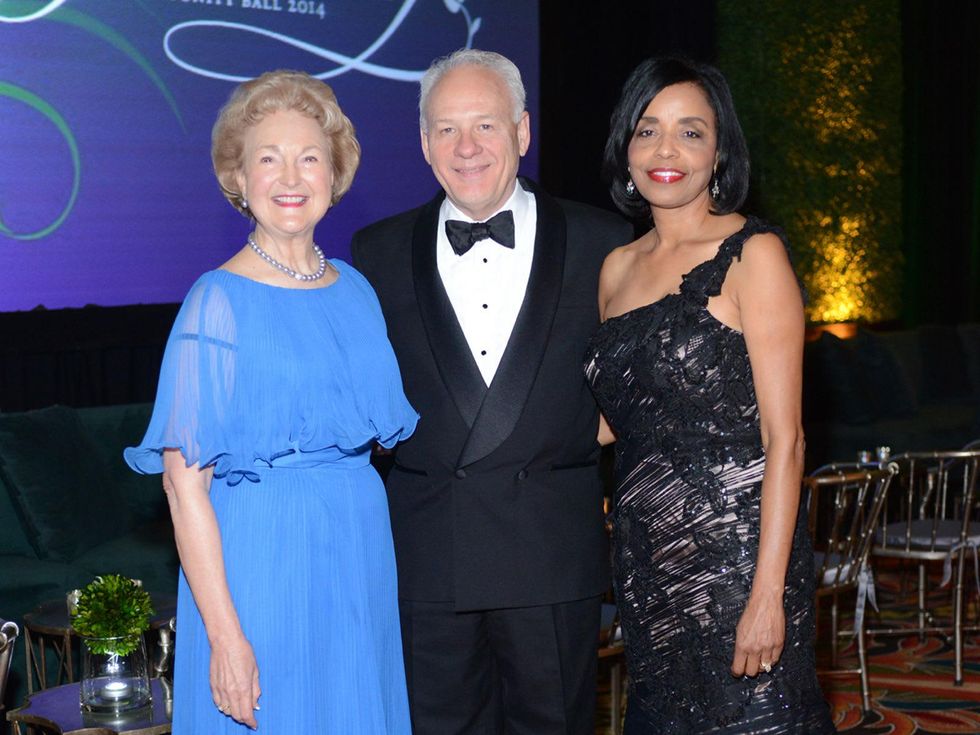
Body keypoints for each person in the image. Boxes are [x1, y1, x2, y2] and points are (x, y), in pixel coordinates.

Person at [125, 70, 417, 733]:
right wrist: (227, 637)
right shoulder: (216, 301)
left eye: (309, 156)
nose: (291, 175)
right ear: (239, 177)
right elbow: (182, 484)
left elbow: (366, 446)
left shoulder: (358, 291)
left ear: (334, 174)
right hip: (260, 564)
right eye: (269, 157)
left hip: (356, 556)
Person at [351, 49, 633, 735]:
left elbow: (640, 391)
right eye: (446, 129)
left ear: (523, 131)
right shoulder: (375, 252)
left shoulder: (606, 242)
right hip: (427, 559)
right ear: (423, 144)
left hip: (549, 554)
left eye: (485, 125)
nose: (466, 146)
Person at [584, 56, 836, 733]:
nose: (666, 151)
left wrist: (767, 595)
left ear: (719, 151)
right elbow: (614, 421)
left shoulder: (753, 255)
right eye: (648, 130)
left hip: (737, 565)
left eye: (690, 132)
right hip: (646, 566)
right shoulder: (614, 269)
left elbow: (787, 441)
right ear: (625, 147)